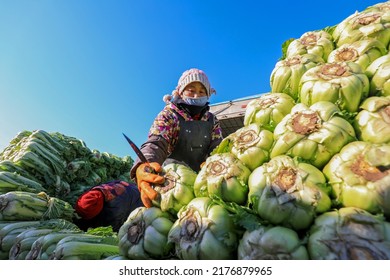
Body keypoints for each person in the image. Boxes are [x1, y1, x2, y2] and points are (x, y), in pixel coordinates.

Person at [130, 68, 223, 208]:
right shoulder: (169, 115)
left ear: (208, 95)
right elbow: (156, 142)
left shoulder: (212, 121)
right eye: (191, 90)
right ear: (180, 92)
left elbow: (218, 148)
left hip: (203, 185)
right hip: (169, 186)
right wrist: (145, 164)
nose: (197, 95)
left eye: (202, 91)